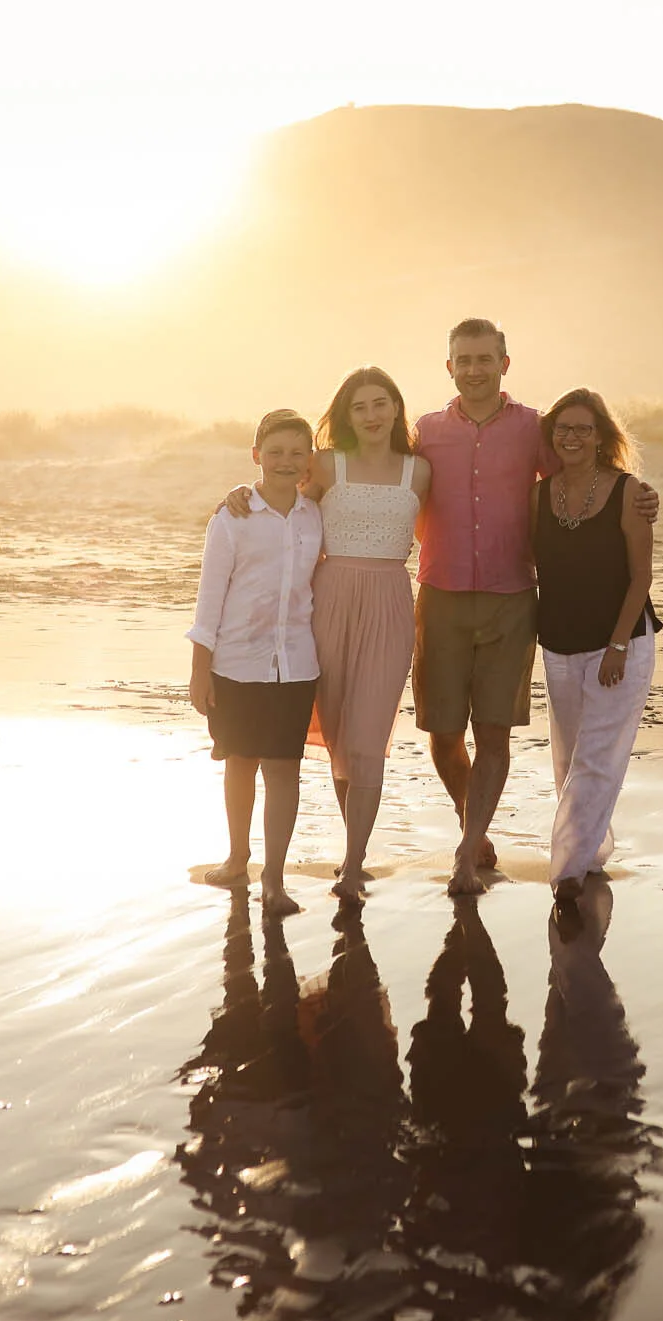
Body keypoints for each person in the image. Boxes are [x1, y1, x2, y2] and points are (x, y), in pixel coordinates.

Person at [412, 320, 658, 896]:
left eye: (485, 359)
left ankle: (468, 853)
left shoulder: (532, 430)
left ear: (504, 363)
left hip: (511, 601)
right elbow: (371, 467)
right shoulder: (424, 431)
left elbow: (588, 467)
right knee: (443, 735)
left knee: (493, 733)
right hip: (440, 596)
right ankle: (474, 828)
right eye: (463, 359)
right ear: (449, 367)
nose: (474, 369)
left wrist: (639, 492)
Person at [188, 409, 323, 915]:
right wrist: (200, 670)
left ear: (310, 459)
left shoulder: (316, 515)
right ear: (256, 457)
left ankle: (275, 878)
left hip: (296, 664)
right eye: (275, 453)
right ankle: (237, 858)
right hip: (237, 663)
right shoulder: (233, 517)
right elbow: (209, 598)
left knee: (285, 768)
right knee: (239, 763)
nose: (286, 462)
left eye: (296, 453)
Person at [530, 388, 661, 901]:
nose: (572, 437)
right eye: (563, 428)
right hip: (559, 641)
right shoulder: (538, 495)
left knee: (596, 760)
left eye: (584, 428)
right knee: (568, 761)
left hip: (620, 642)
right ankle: (593, 851)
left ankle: (564, 872)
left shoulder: (629, 492)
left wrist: (618, 646)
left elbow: (641, 577)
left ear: (603, 436)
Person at [308, 368, 431, 898]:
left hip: (389, 602)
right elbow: (280, 508)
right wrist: (236, 498)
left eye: (381, 404)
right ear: (345, 415)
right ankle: (352, 848)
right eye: (360, 407)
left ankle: (355, 865)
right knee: (338, 736)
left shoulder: (419, 472)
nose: (372, 415)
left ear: (397, 409)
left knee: (367, 738)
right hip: (328, 599)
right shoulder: (325, 464)